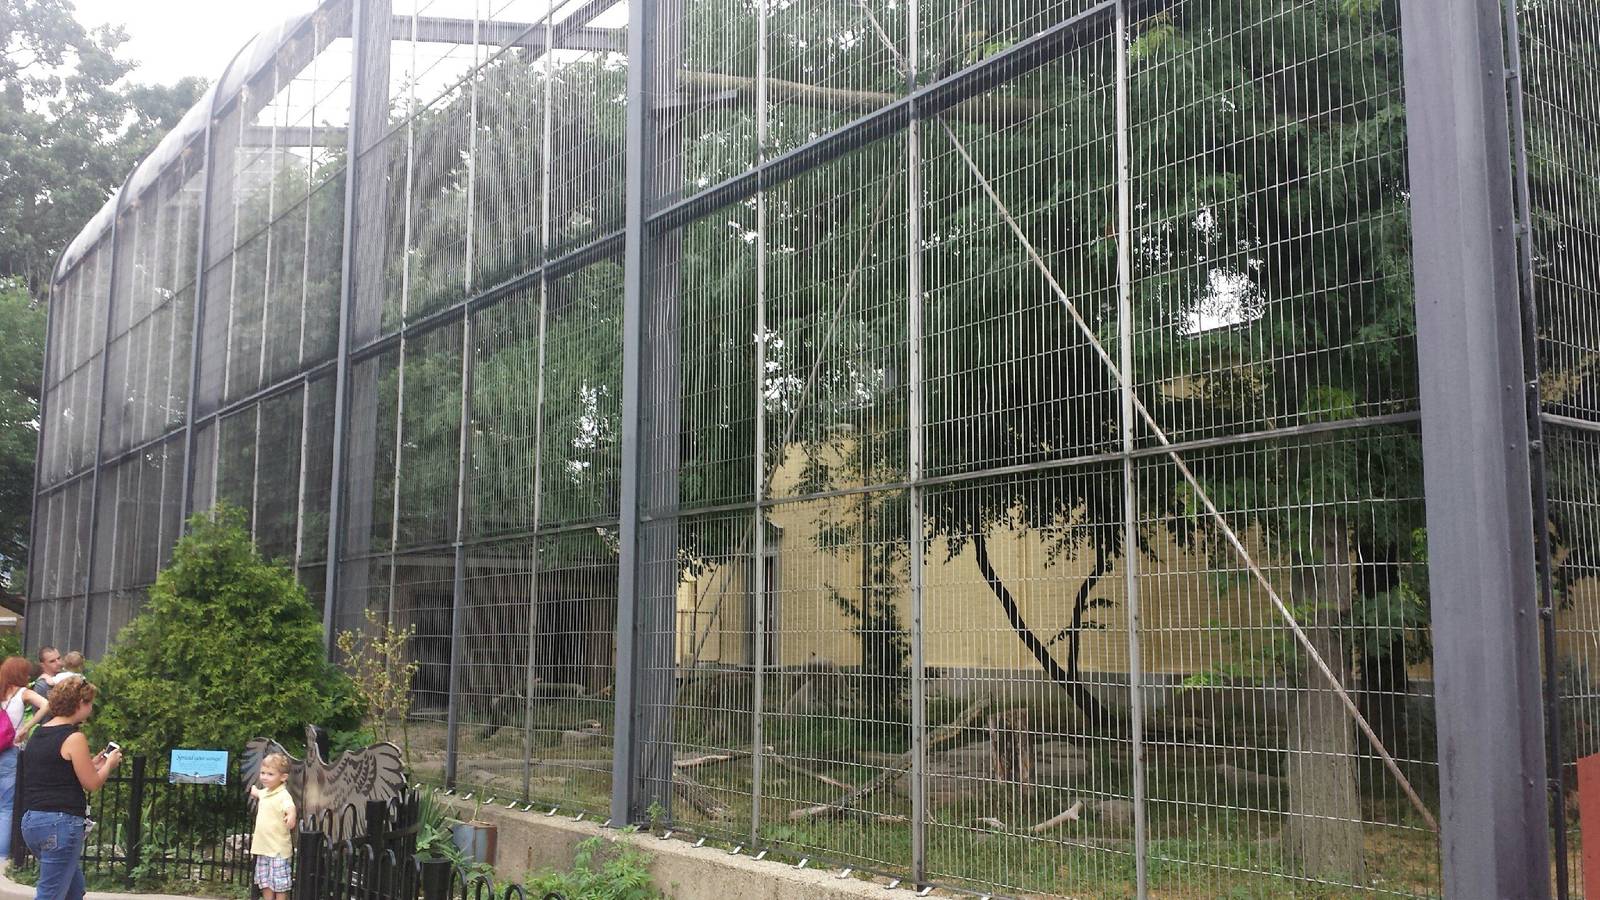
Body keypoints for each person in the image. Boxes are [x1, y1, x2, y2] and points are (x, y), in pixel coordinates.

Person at [19, 678, 121, 900]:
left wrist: (93, 765)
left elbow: (56, 772)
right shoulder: (74, 737)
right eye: (90, 703)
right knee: (51, 894)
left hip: (32, 822)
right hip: (61, 824)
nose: (91, 708)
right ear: (79, 703)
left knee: (73, 891)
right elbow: (92, 784)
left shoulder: (39, 733)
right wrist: (109, 765)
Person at [0, 658, 46, 857]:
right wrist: (27, 727)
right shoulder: (22, 693)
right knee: (6, 807)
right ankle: (2, 857)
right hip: (10, 751)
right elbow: (46, 705)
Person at [249, 753, 296, 900]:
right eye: (263, 773)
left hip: (277, 849)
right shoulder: (266, 792)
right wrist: (253, 790)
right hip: (263, 848)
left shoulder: (283, 795)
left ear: (283, 777)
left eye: (270, 774)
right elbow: (258, 793)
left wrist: (291, 816)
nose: (264, 777)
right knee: (265, 882)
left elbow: (290, 807)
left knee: (280, 884)